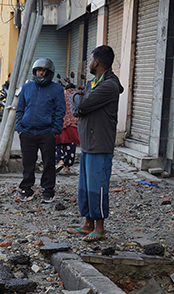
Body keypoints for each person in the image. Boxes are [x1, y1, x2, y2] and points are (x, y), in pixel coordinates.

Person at [69, 45, 123, 242]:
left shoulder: (109, 86)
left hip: (100, 144)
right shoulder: (94, 84)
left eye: (91, 59)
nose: (89, 63)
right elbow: (78, 110)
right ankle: (88, 224)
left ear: (97, 62)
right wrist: (79, 102)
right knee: (85, 187)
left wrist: (73, 95)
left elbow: (82, 104)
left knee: (97, 187)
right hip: (88, 143)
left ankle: (99, 228)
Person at [14, 57, 65, 202]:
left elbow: (60, 111)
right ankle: (26, 189)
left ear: (49, 72)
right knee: (27, 163)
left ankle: (48, 191)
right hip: (27, 132)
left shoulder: (57, 89)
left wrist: (54, 131)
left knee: (48, 163)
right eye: (37, 71)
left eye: (42, 71)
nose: (40, 74)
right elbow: (20, 108)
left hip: (46, 133)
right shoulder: (27, 87)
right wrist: (20, 128)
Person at [56, 79, 80, 175]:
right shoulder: (77, 95)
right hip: (73, 126)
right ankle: (67, 167)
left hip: (62, 124)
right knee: (71, 147)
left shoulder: (61, 95)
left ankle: (60, 160)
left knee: (59, 145)